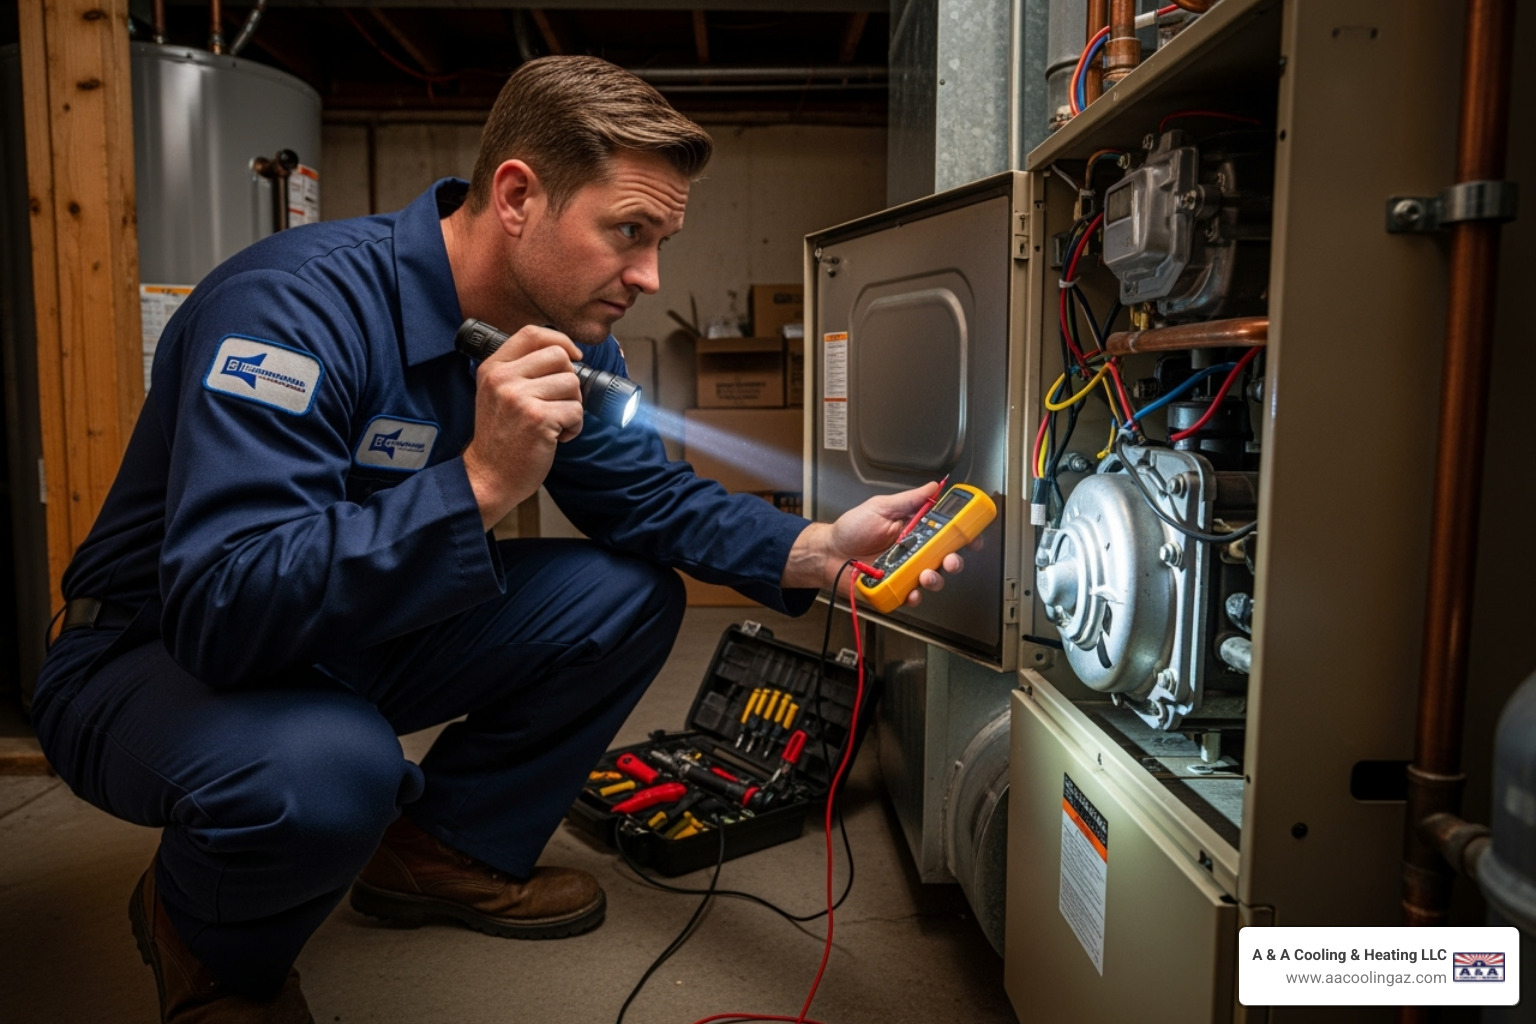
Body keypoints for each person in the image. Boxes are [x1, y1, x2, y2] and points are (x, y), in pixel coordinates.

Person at [32, 56, 962, 1023]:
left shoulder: (567, 335)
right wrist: (477, 482)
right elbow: (223, 608)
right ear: (518, 195)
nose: (649, 276)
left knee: (628, 595)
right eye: (629, 233)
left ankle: (440, 851)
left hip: (336, 634)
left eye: (662, 240)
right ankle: (207, 944)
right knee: (332, 768)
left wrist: (816, 548)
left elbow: (646, 497)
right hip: (153, 653)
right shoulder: (293, 309)